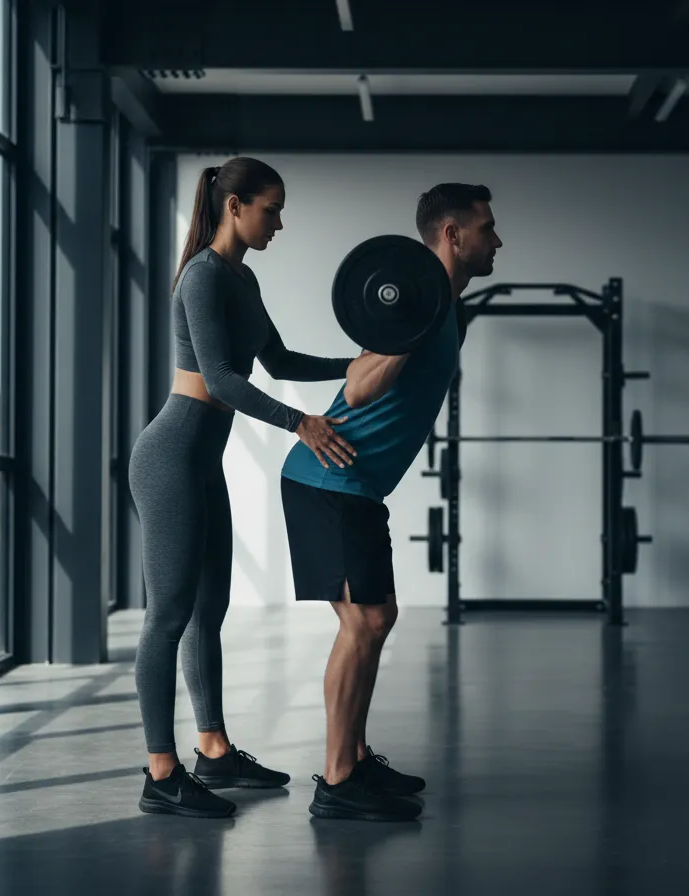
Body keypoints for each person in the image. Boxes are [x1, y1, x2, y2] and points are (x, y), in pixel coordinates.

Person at [130, 157, 359, 819]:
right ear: (235, 206)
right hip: (171, 458)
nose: (279, 224)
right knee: (168, 616)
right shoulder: (203, 275)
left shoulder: (241, 277)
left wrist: (363, 362)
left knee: (209, 610)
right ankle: (161, 773)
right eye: (272, 209)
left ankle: (214, 750)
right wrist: (300, 425)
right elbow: (222, 380)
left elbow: (279, 361)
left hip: (202, 463)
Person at [279, 183, 503, 821]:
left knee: (375, 620)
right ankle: (337, 781)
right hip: (329, 482)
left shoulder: (440, 304)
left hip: (353, 485)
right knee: (365, 622)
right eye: (486, 228)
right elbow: (359, 386)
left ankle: (353, 759)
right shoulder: (419, 302)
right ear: (452, 235)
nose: (497, 240)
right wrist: (409, 329)